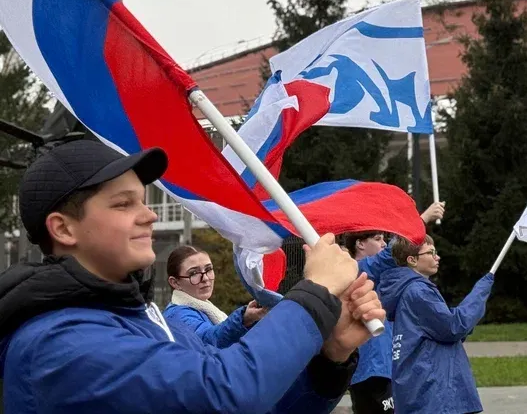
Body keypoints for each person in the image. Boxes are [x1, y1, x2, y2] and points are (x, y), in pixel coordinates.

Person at [0, 140, 384, 413]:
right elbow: (226, 394)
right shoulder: (57, 344)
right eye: (123, 204)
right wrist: (314, 293)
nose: (149, 215)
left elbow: (259, 404)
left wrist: (330, 359)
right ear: (63, 230)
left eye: (144, 200)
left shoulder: (142, 320)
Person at [377, 231, 492, 414]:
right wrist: (480, 293)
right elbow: (453, 327)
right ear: (412, 260)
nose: (437, 257)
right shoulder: (417, 291)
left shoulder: (410, 289)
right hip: (433, 390)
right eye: (430, 253)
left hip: (423, 386)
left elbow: (440, 326)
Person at [164, 244, 267, 347]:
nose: (205, 278)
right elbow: (209, 339)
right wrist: (244, 318)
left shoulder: (204, 309)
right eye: (194, 273)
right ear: (175, 283)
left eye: (208, 269)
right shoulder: (176, 315)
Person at [341, 231, 396, 414]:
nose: (384, 244)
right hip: (370, 371)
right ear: (360, 244)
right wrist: (422, 220)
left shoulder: (374, 275)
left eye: (384, 240)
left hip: (381, 369)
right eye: (378, 239)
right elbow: (392, 253)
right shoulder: (356, 271)